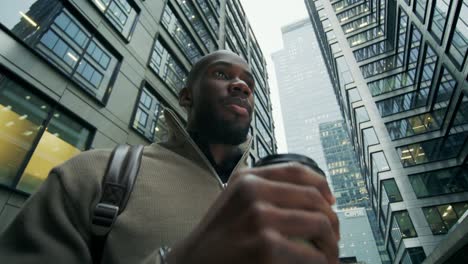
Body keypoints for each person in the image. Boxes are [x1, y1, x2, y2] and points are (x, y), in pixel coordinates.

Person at [0, 50, 339, 264]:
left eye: (248, 81)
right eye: (222, 74)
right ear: (185, 96)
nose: (241, 85)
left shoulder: (278, 195)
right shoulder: (93, 174)